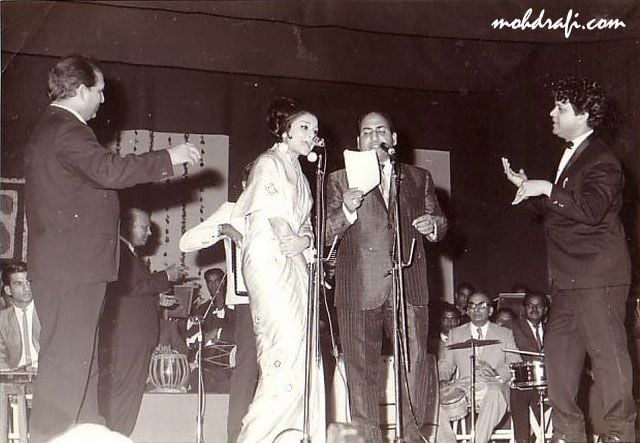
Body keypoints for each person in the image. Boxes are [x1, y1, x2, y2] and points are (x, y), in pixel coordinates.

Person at [23, 54, 201, 442]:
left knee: (79, 360)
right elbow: (109, 171)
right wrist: (168, 157)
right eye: (99, 91)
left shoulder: (51, 128)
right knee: (69, 362)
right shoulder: (67, 130)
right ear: (81, 90)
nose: (103, 99)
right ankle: (49, 437)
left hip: (69, 268)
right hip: (73, 270)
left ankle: (87, 433)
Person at [502, 77, 635, 443]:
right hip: (566, 283)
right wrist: (528, 188)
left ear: (586, 115)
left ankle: (620, 436)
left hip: (597, 279)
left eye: (561, 107)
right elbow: (563, 212)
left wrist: (546, 187)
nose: (552, 113)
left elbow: (591, 210)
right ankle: (567, 436)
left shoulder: (603, 159)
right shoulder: (573, 155)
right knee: (558, 371)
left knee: (609, 366)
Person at [325, 111, 447, 442]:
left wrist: (432, 227)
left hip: (408, 286)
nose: (374, 136)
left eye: (381, 130)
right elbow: (323, 233)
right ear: (358, 142)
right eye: (366, 132)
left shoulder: (417, 177)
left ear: (394, 140)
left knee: (415, 367)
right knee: (361, 374)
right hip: (357, 289)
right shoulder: (339, 180)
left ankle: (412, 438)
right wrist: (346, 211)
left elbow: (440, 219)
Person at [231, 97, 324, 442]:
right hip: (271, 263)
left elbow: (305, 226)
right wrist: (298, 241)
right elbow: (279, 223)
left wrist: (305, 242)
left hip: (297, 264)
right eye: (304, 127)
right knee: (281, 349)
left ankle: (294, 433)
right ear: (285, 130)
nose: (312, 135)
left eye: (315, 130)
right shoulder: (268, 163)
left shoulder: (300, 172)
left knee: (304, 348)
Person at [180, 162, 259, 443]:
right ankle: (235, 438)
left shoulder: (282, 210)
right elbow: (186, 243)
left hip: (281, 303)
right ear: (244, 184)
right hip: (247, 303)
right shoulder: (231, 210)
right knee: (245, 373)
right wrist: (224, 228)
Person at [98, 208, 183, 436]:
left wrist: (156, 300)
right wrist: (166, 276)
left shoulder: (129, 253)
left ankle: (119, 436)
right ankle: (115, 437)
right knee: (125, 393)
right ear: (128, 226)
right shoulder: (121, 252)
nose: (149, 232)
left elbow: (131, 294)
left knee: (129, 393)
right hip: (129, 339)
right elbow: (129, 286)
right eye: (144, 227)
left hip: (134, 338)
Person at [437, 291, 521, 443]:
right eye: (472, 306)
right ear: (468, 311)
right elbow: (446, 363)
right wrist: (442, 378)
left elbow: (515, 361)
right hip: (464, 386)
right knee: (435, 401)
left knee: (496, 393)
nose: (476, 310)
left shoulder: (504, 333)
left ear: (490, 310)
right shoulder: (455, 334)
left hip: (492, 385)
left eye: (481, 306)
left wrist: (497, 372)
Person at [509, 292, 548, 443]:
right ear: (523, 309)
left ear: (545, 310)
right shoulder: (513, 327)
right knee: (517, 393)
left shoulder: (552, 329)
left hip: (550, 381)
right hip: (526, 381)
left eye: (538, 306)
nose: (534, 309)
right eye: (530, 306)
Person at [0, 262, 40, 371]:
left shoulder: (47, 313)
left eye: (29, 282)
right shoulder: (2, 320)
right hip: (15, 380)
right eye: (19, 284)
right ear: (8, 290)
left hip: (47, 376)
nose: (26, 288)